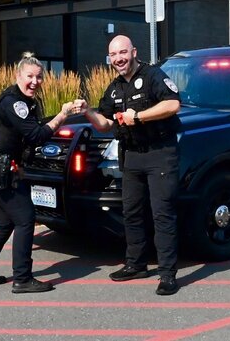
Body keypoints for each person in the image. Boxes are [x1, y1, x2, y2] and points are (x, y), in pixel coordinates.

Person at [75, 34, 182, 296]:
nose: (119, 59)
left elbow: (173, 104)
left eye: (123, 53)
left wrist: (140, 117)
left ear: (133, 52)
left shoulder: (152, 76)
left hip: (160, 152)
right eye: (113, 55)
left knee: (162, 213)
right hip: (131, 155)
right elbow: (106, 124)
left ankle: (167, 274)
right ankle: (136, 264)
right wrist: (88, 111)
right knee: (131, 212)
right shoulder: (114, 88)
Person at [0, 52, 76, 294]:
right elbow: (36, 135)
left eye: (39, 77)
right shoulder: (13, 102)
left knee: (4, 222)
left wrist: (67, 111)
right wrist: (62, 116)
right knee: (25, 218)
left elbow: (33, 126)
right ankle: (22, 278)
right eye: (29, 76)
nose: (35, 82)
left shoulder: (26, 102)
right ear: (18, 76)